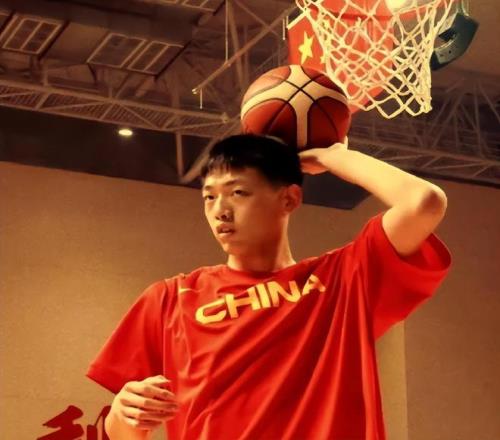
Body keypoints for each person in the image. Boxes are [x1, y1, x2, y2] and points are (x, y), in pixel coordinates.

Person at [86, 134, 452, 440]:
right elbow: (121, 433)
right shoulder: (169, 299)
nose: (220, 210)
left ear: (289, 199)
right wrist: (124, 413)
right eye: (209, 196)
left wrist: (335, 157)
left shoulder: (344, 279)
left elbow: (424, 202)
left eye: (238, 192)